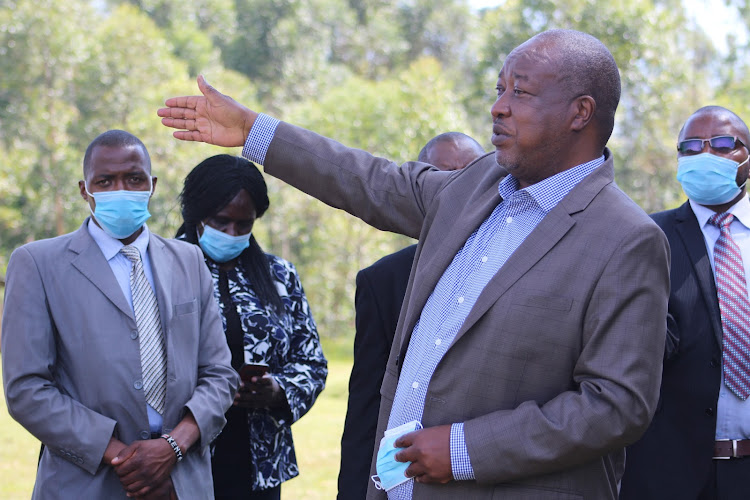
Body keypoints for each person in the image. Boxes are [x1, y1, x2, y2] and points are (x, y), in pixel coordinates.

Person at [158, 28, 670, 499]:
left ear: (581, 112)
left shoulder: (625, 239)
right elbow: (366, 179)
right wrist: (254, 131)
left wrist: (466, 449)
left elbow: (615, 405)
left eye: (521, 93)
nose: (499, 108)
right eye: (499, 90)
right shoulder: (477, 185)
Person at [1, 130, 238, 499]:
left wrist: (173, 446)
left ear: (152, 185)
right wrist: (122, 457)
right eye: (105, 181)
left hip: (181, 481)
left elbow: (219, 374)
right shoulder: (37, 264)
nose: (121, 189)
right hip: (85, 483)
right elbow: (26, 389)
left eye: (133, 178)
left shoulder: (189, 260)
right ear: (85, 190)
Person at [338, 132, 486, 499]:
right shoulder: (383, 281)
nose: (457, 192)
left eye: (469, 177)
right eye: (441, 179)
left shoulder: (519, 268)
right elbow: (366, 406)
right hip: (404, 477)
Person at [175, 154, 327, 500]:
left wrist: (278, 390)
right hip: (184, 455)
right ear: (197, 216)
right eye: (221, 222)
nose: (232, 233)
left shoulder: (279, 276)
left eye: (244, 224)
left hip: (260, 462)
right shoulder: (165, 270)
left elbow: (311, 362)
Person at [620, 106, 750, 499]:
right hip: (669, 474)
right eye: (690, 147)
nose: (705, 155)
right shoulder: (647, 237)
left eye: (724, 144)